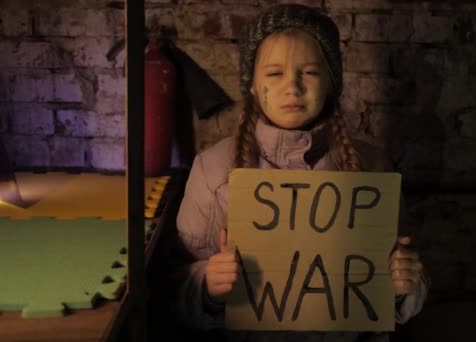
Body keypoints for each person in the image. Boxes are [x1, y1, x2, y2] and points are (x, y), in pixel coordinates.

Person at [174, 4, 428, 341]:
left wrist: (404, 286)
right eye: (275, 73)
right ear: (252, 84)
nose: (292, 87)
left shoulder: (373, 167)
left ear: (331, 83)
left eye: (309, 71)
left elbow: (400, 279)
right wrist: (207, 285)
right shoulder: (212, 169)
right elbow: (172, 286)